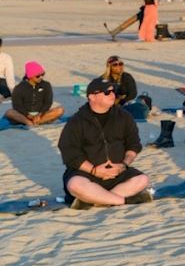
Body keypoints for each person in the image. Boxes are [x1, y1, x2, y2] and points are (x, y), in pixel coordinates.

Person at [58, 77, 150, 208]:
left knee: (142, 180)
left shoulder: (124, 116)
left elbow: (134, 145)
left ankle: (97, 200)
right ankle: (122, 201)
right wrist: (94, 170)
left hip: (118, 172)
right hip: (87, 174)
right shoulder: (77, 121)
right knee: (75, 185)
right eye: (107, 92)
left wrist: (123, 165)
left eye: (113, 91)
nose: (112, 95)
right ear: (92, 97)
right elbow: (69, 152)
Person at [6, 60, 64, 126]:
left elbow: (48, 102)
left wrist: (40, 114)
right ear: (30, 76)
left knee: (60, 110)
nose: (41, 77)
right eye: (38, 76)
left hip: (41, 114)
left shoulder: (46, 85)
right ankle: (29, 122)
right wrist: (28, 115)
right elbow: (17, 105)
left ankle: (34, 122)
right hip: (24, 115)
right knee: (9, 112)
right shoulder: (19, 88)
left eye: (42, 74)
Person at [102, 56, 150, 120]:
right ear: (109, 66)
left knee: (139, 109)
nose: (119, 66)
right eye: (115, 64)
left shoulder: (127, 77)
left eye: (121, 64)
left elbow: (133, 93)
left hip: (126, 103)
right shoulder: (104, 79)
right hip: (110, 105)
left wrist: (121, 101)